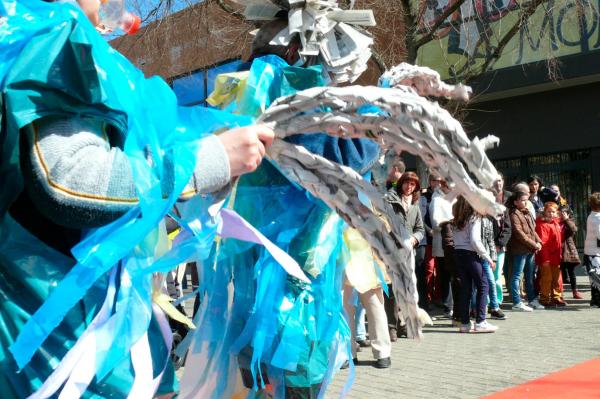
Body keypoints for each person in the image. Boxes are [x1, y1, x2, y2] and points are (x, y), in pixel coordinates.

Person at [0, 1, 274, 397]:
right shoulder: (57, 36)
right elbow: (69, 181)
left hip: (76, 330)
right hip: (60, 341)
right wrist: (211, 159)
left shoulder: (38, 37)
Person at [342, 228, 392, 369]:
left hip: (368, 260)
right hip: (342, 260)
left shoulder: (371, 206)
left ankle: (382, 352)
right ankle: (347, 353)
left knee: (375, 307)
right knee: (344, 311)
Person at [384, 172, 424, 340]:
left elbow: (420, 229)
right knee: (393, 289)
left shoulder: (415, 205)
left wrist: (415, 239)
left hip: (409, 253)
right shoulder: (391, 201)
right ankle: (391, 326)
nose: (409, 187)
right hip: (392, 251)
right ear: (401, 184)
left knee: (409, 290)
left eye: (413, 184)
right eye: (407, 183)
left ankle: (405, 324)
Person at [452, 196, 498, 333]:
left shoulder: (456, 219)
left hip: (459, 254)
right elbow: (475, 240)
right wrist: (488, 257)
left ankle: (465, 323)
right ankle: (480, 321)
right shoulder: (473, 217)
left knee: (466, 288)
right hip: (471, 255)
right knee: (483, 285)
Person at [507, 191, 542, 312]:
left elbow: (533, 230)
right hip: (520, 250)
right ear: (515, 202)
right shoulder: (513, 214)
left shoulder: (526, 212)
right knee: (517, 276)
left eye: (526, 200)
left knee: (529, 275)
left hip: (530, 249)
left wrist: (539, 242)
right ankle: (517, 302)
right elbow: (519, 234)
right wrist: (535, 244)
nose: (525, 202)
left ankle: (532, 300)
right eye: (522, 200)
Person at [430, 178, 457, 316]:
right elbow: (435, 223)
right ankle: (448, 305)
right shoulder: (437, 200)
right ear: (444, 186)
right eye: (450, 188)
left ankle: (455, 304)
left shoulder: (455, 199)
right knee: (446, 276)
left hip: (456, 242)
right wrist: (450, 223)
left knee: (455, 275)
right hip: (442, 243)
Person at [416, 174, 442, 310]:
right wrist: (429, 230)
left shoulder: (443, 196)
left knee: (441, 270)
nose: (437, 183)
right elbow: (421, 217)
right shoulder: (423, 197)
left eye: (438, 180)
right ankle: (428, 297)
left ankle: (438, 297)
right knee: (429, 269)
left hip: (442, 237)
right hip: (428, 237)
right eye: (434, 180)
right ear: (430, 182)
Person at [535, 202, 565, 307]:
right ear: (545, 212)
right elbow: (543, 243)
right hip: (546, 256)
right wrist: (545, 259)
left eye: (553, 212)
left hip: (556, 255)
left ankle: (556, 297)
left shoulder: (556, 222)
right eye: (549, 211)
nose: (551, 214)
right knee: (546, 278)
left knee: (557, 277)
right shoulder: (542, 224)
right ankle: (544, 298)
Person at [559, 205, 582, 299]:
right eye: (559, 214)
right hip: (558, 250)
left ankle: (575, 291)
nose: (560, 216)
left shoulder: (569, 222)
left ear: (567, 214)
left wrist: (566, 220)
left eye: (562, 214)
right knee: (559, 273)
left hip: (568, 251)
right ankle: (559, 292)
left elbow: (574, 229)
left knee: (571, 273)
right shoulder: (556, 222)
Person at [584, 192, 600, 307]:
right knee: (597, 278)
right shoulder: (598, 218)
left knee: (594, 278)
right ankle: (597, 300)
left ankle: (594, 299)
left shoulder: (591, 215)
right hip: (596, 252)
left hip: (590, 251)